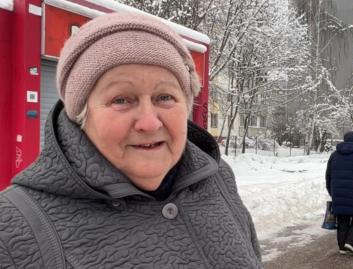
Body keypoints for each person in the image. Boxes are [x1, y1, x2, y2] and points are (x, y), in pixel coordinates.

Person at [0, 13, 261, 268]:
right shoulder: (13, 227)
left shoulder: (218, 179)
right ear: (81, 114)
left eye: (165, 97)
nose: (149, 122)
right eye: (121, 99)